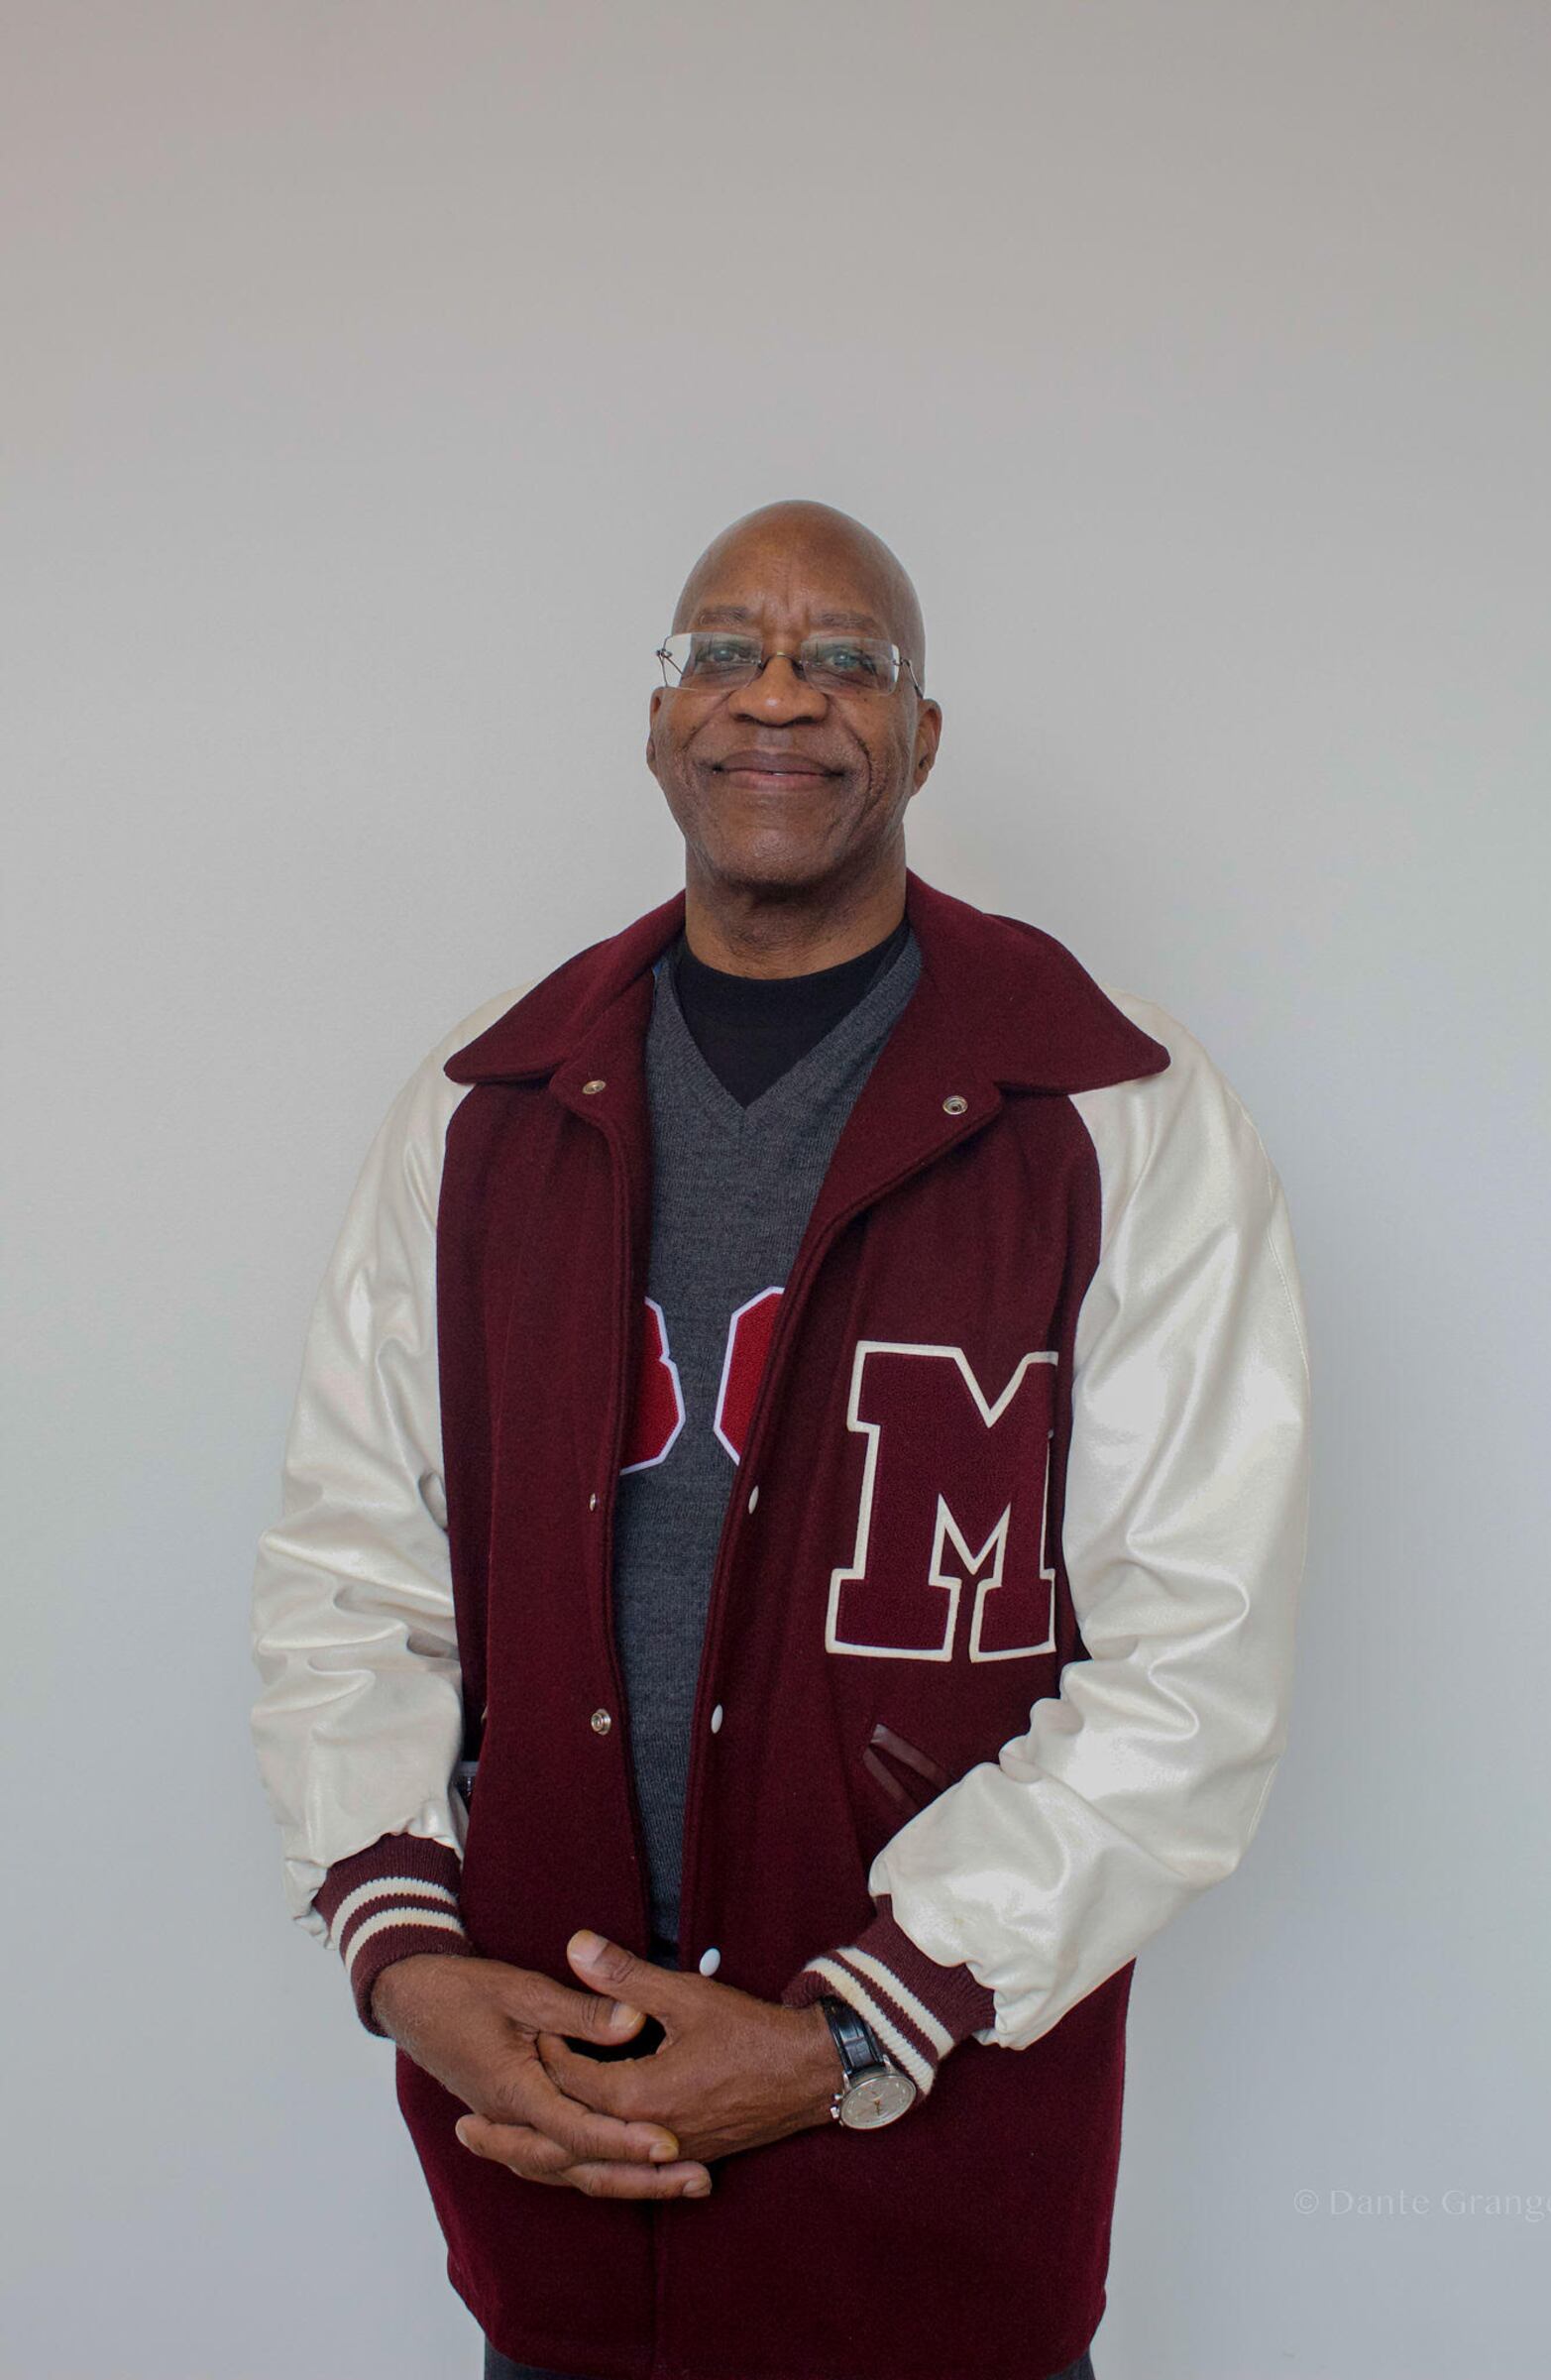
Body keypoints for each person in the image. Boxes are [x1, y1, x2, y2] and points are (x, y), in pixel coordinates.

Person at [249, 498, 1311, 2380]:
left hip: (939, 2209)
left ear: (923, 735)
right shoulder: (486, 1105)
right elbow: (354, 1569)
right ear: (660, 717)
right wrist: (410, 1959)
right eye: (725, 650)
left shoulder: (1116, 1110)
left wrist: (847, 2031)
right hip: (559, 2164)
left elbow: (1193, 1663)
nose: (779, 695)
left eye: (847, 660)